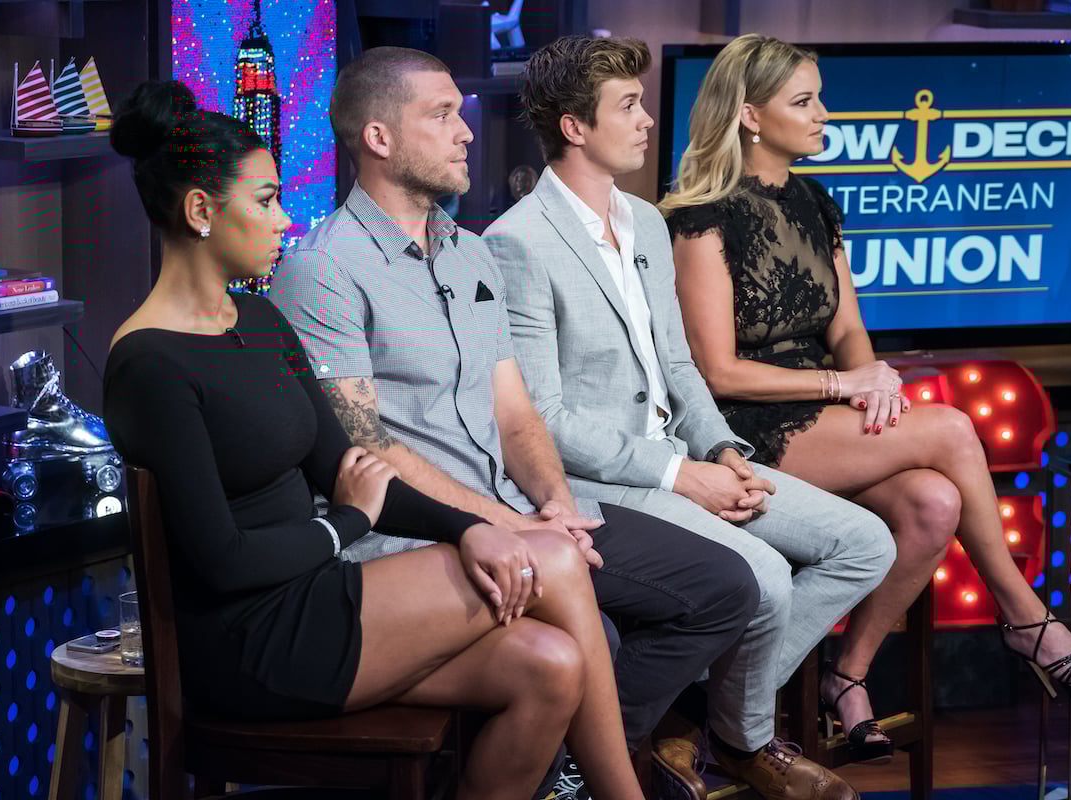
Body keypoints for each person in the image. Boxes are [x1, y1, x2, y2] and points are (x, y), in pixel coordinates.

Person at [101, 80, 648, 800]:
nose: (283, 217)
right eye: (265, 200)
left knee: (550, 666)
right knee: (553, 558)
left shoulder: (259, 321)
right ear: (201, 210)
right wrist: (347, 522)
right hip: (247, 639)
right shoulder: (146, 362)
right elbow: (224, 561)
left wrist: (470, 528)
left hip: (318, 588)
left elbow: (346, 465)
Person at [269, 47, 760, 799]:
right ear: (379, 138)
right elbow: (368, 448)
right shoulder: (323, 268)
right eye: (441, 115)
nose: (466, 130)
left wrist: (556, 506)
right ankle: (578, 780)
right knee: (592, 635)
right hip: (414, 536)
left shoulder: (471, 254)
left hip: (519, 510)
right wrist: (511, 523)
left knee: (725, 585)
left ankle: (571, 773)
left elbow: (516, 411)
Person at [661, 33, 1071, 763]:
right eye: (804, 102)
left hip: (822, 412)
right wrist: (845, 384)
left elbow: (846, 328)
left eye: (819, 99)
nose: (824, 115)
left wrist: (871, 385)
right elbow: (716, 371)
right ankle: (1027, 619)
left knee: (934, 503)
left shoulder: (815, 201)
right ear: (749, 115)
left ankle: (846, 675)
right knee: (951, 429)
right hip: (740, 427)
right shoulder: (701, 217)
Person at [483, 34, 894, 800]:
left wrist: (724, 452)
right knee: (764, 579)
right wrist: (681, 475)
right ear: (575, 127)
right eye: (628, 106)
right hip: (603, 482)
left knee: (865, 542)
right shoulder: (517, 242)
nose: (647, 120)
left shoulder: (644, 220)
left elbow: (678, 366)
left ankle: (713, 725)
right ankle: (726, 741)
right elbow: (545, 420)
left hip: (685, 456)